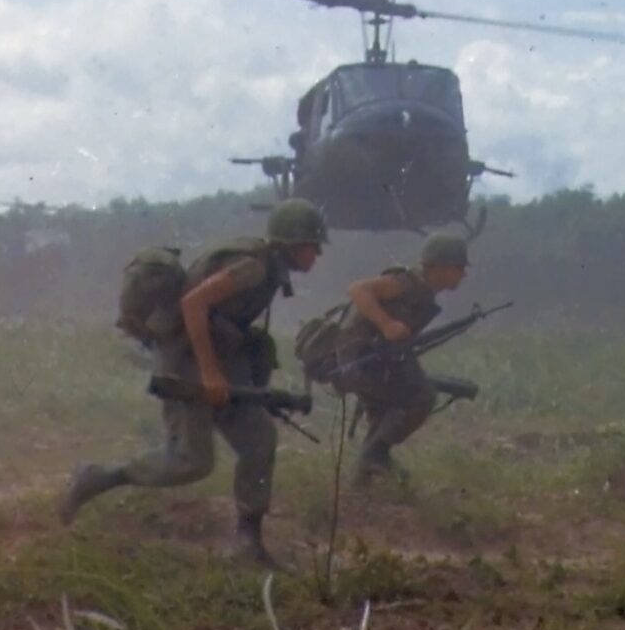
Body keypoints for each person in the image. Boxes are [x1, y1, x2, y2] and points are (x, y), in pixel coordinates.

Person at [57, 199, 328, 569]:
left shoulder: (265, 266)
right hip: (187, 358)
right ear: (293, 242)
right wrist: (211, 372)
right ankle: (96, 477)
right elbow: (193, 304)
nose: (317, 254)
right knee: (191, 462)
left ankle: (249, 542)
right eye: (314, 245)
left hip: (215, 358)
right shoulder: (253, 267)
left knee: (259, 439)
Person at [337, 232, 468, 484]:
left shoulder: (424, 291)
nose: (463, 274)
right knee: (421, 396)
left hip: (376, 359)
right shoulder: (406, 283)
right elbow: (358, 289)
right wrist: (387, 324)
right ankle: (374, 457)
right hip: (361, 358)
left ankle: (364, 476)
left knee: (386, 413)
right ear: (439, 267)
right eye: (459, 267)